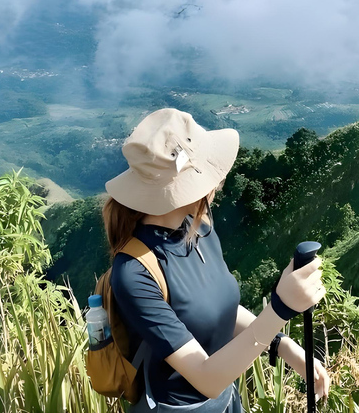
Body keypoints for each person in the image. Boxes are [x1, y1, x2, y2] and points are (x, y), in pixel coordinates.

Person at [102, 108, 331, 412]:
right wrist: (281, 308)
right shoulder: (133, 273)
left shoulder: (199, 227)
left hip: (226, 401)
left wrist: (284, 346)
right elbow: (206, 378)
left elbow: (216, 308)